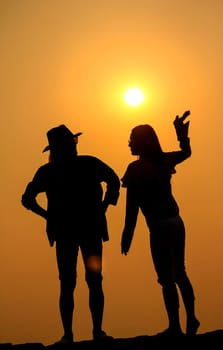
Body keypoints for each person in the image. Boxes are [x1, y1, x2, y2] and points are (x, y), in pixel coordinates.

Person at [21, 124, 120, 344]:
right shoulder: (87, 164)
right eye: (71, 143)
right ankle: (92, 332)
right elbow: (113, 179)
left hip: (74, 231)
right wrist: (105, 205)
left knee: (71, 282)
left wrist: (48, 216)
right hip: (86, 230)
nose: (74, 147)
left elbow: (27, 199)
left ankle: (74, 334)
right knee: (87, 281)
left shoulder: (49, 171)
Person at [120, 111, 200, 336]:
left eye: (132, 139)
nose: (129, 144)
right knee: (180, 273)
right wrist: (182, 135)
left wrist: (127, 234)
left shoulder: (134, 170)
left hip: (160, 228)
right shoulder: (163, 159)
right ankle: (191, 319)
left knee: (167, 279)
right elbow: (187, 152)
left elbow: (132, 208)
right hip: (176, 222)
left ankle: (175, 326)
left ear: (141, 143)